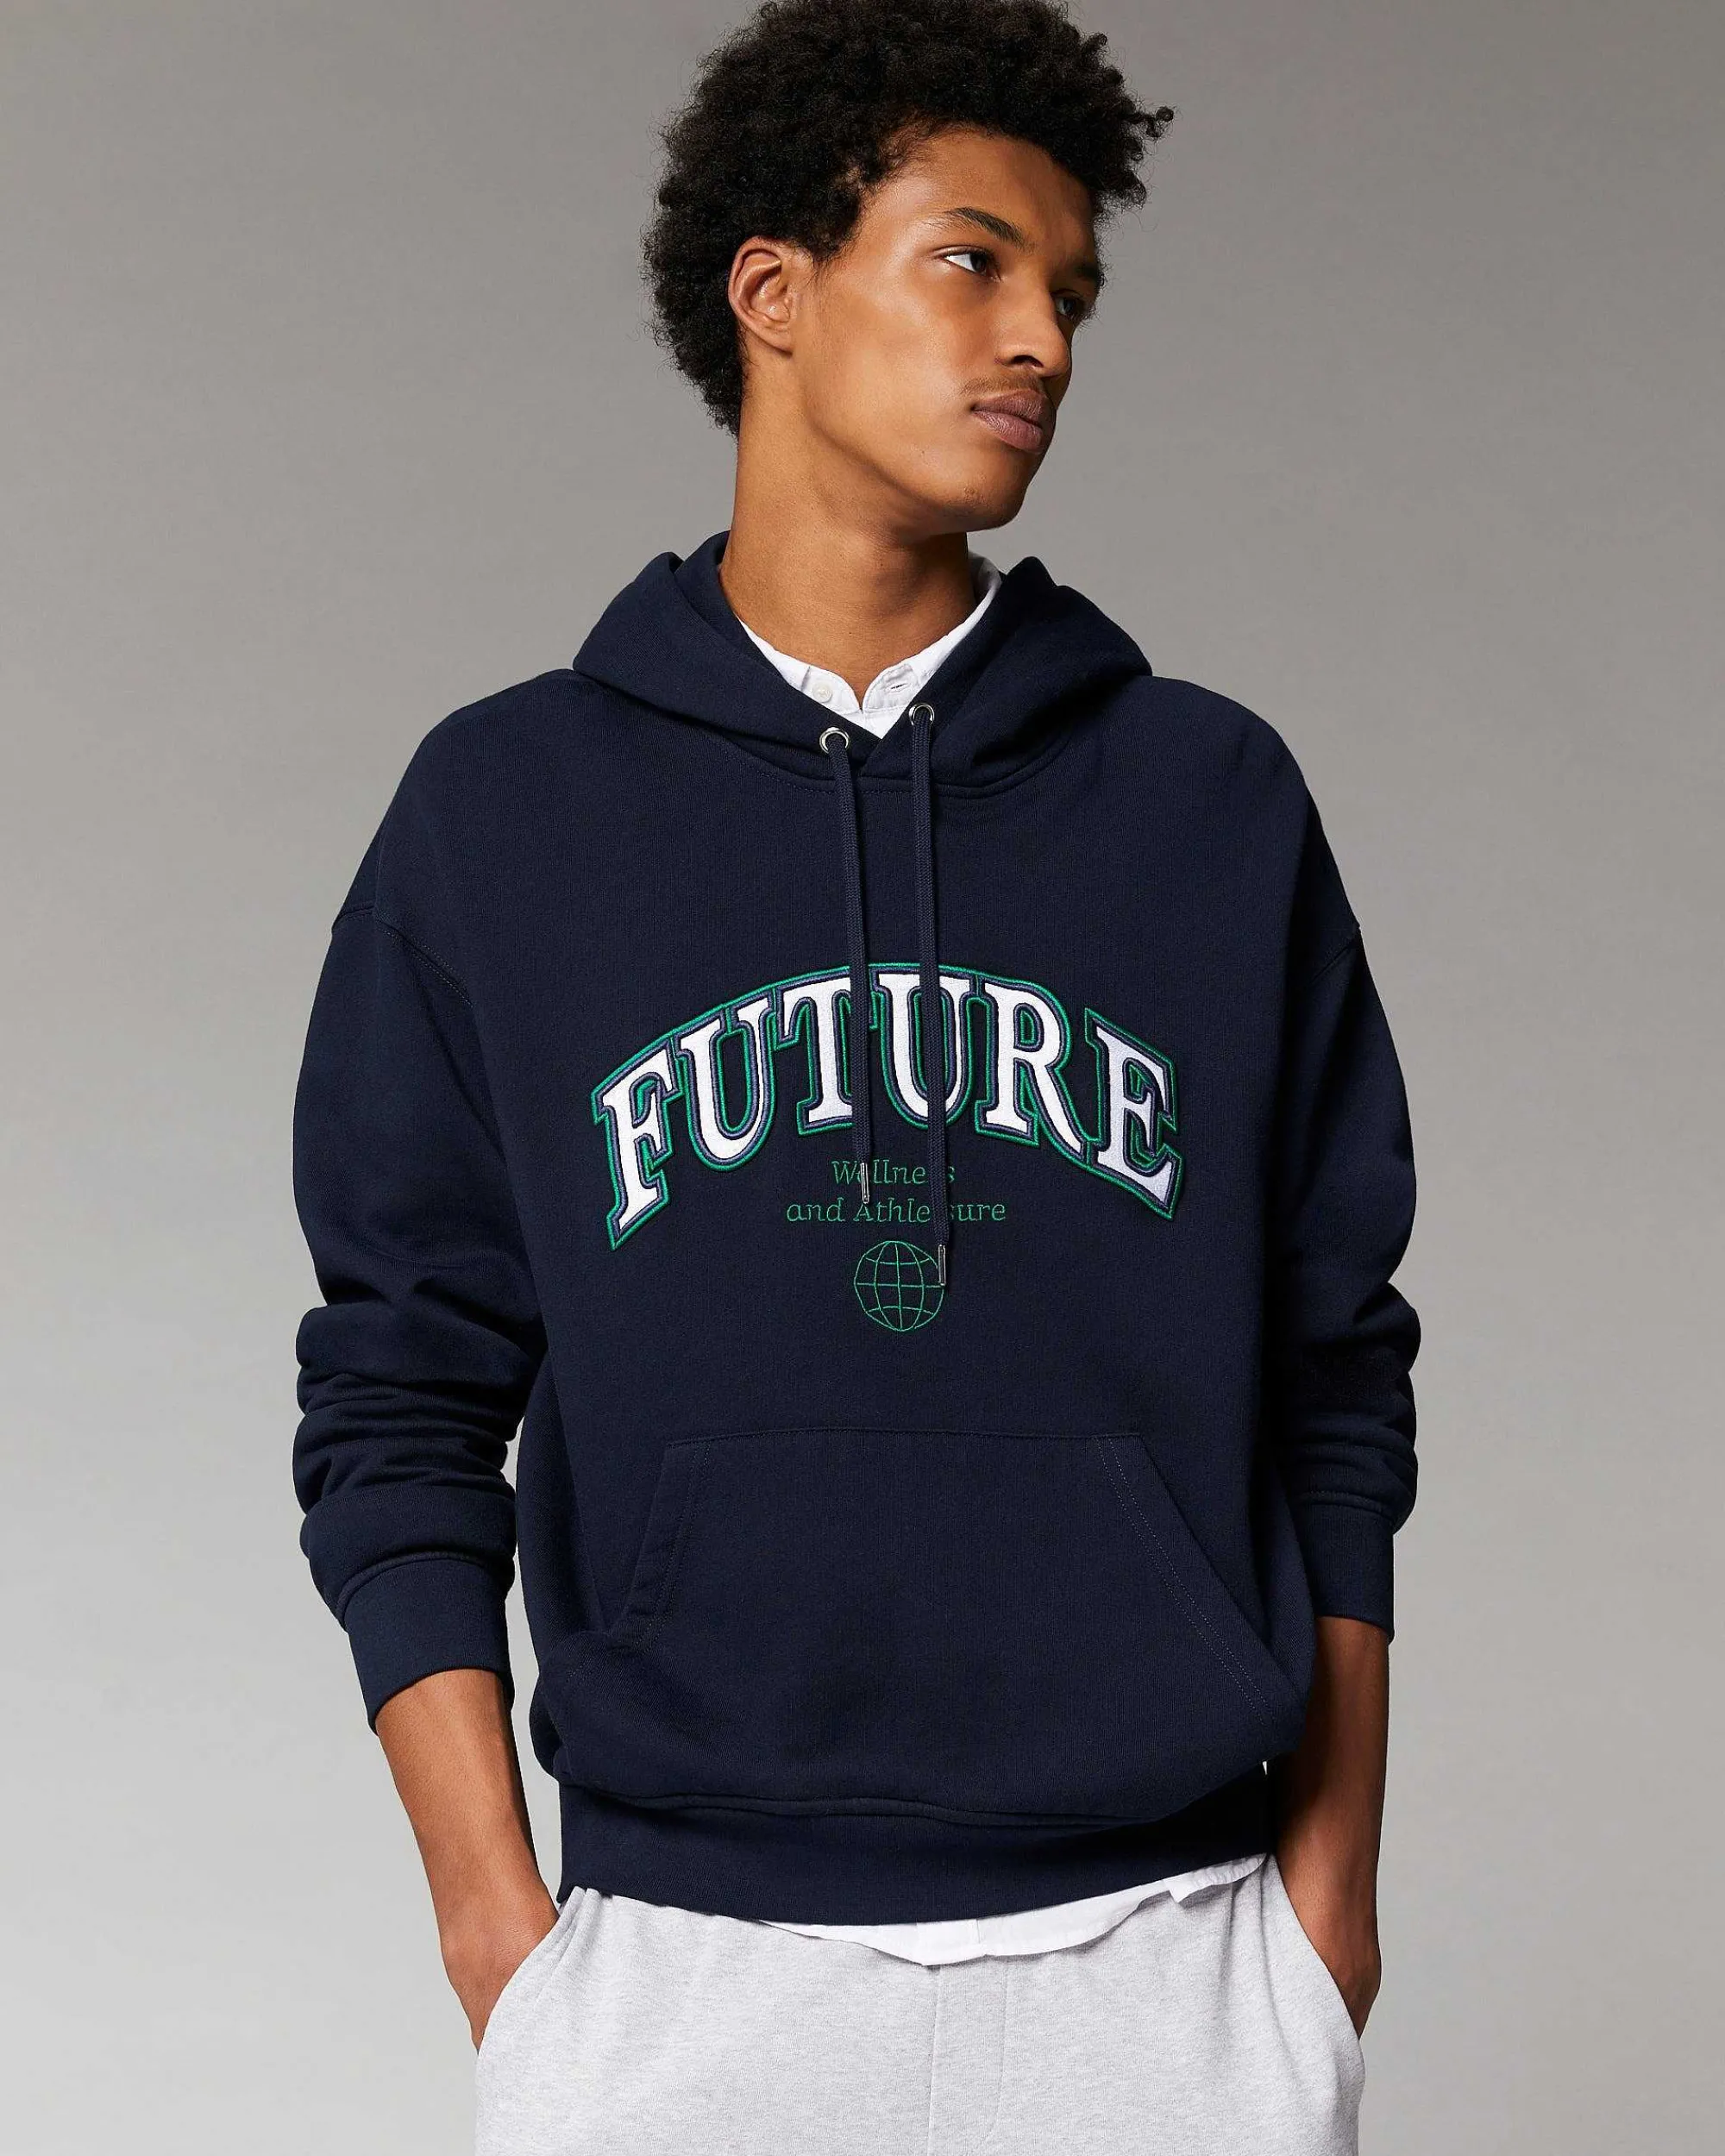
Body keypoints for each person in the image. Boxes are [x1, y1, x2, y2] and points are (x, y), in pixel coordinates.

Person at [290, 2, 1421, 2149]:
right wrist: (496, 1931)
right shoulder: (507, 813)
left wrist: (1326, 1909)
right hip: (677, 1971)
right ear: (773, 291)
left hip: (1174, 1958)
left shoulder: (1206, 801)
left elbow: (1333, 1372)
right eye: (972, 261)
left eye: (1069, 291)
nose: (1042, 341)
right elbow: (400, 1391)